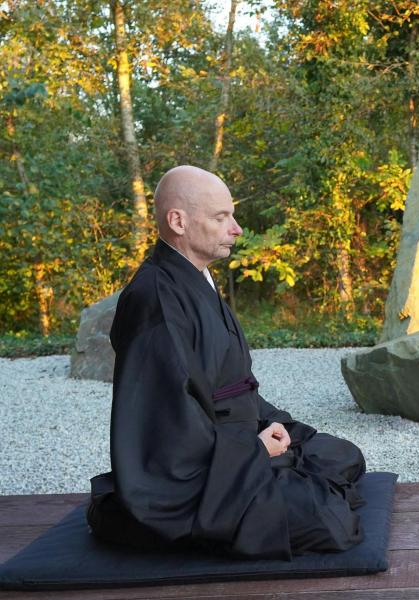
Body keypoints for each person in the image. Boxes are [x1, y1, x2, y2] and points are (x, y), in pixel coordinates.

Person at [87, 165, 366, 560]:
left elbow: (234, 382)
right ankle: (270, 486)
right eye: (221, 218)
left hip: (238, 436)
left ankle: (282, 475)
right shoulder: (155, 299)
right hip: (199, 469)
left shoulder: (195, 278)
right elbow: (165, 425)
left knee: (345, 456)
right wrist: (251, 450)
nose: (236, 229)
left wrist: (271, 425)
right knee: (327, 517)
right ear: (178, 221)